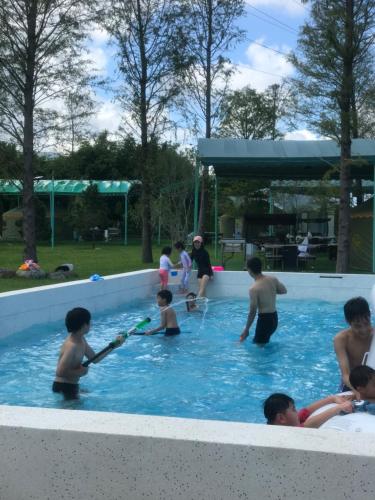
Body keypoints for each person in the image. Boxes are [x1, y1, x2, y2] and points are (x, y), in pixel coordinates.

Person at [52, 307, 124, 400]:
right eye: (89, 322)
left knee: (88, 394)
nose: (91, 324)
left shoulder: (81, 339)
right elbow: (60, 372)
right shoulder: (71, 346)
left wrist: (114, 345)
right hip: (64, 387)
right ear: (84, 326)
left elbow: (95, 359)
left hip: (71, 385)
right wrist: (81, 372)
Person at [240, 256, 287, 344]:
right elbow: (284, 291)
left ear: (249, 270)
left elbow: (252, 312)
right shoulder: (272, 279)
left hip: (264, 321)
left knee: (259, 349)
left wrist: (246, 329)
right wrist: (270, 290)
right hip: (274, 319)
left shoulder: (253, 289)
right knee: (264, 342)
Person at [334, 297, 374, 395]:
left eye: (366, 323)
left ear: (370, 315)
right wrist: (357, 391)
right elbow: (346, 374)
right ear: (348, 322)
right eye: (357, 326)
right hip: (352, 384)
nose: (364, 329)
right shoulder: (341, 339)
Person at [263, 392, 353, 428]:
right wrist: (339, 408)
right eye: (293, 410)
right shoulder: (281, 434)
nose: (297, 412)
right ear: (281, 418)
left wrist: (332, 399)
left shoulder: (285, 421)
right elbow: (309, 425)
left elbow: (306, 411)